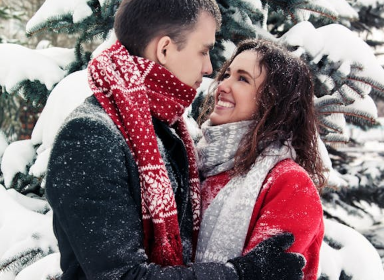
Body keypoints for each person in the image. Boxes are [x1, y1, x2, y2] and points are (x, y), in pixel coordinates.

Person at [45, 0, 305, 279]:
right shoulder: (91, 136)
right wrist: (238, 275)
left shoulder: (164, 131)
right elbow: (121, 276)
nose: (209, 68)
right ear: (165, 49)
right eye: (204, 51)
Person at [195, 39, 326, 280]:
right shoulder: (197, 164)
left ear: (272, 101)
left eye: (242, 78)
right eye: (227, 74)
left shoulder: (290, 184)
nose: (222, 85)